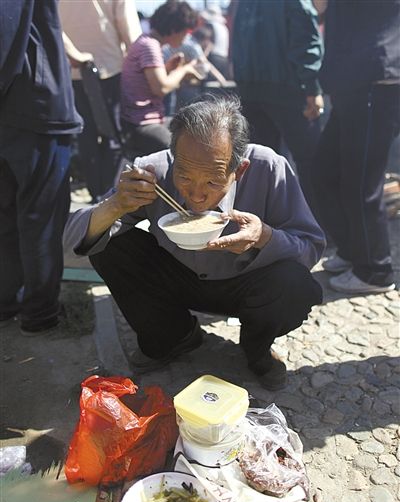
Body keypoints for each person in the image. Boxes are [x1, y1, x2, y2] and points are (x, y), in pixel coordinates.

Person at [64, 96, 324, 390]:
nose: (196, 195)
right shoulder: (151, 171)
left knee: (295, 284)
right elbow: (69, 243)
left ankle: (257, 348)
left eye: (213, 182)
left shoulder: (269, 168)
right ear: (173, 158)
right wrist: (114, 205)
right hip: (177, 279)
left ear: (238, 170)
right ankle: (174, 336)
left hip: (246, 284)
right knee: (108, 241)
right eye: (184, 177)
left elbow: (311, 246)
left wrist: (264, 237)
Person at [0, 0, 82, 334]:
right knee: (41, 220)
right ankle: (39, 313)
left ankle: (8, 303)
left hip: (18, 107)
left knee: (7, 215)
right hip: (35, 106)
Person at [313, 0, 399, 294]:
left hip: (375, 76)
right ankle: (354, 251)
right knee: (324, 171)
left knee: (362, 182)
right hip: (355, 78)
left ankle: (376, 270)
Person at [232, 0, 324, 216]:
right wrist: (312, 87)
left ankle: (266, 223)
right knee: (312, 162)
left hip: (250, 89)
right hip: (289, 88)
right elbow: (305, 40)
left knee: (260, 163)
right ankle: (316, 225)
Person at [59, 0, 142, 203]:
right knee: (112, 136)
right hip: (108, 65)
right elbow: (129, 29)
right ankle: (108, 195)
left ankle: (96, 192)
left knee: (85, 136)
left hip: (71, 68)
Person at [120, 0, 202, 159]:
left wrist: (169, 69)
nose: (186, 38)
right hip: (141, 125)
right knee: (183, 151)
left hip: (141, 121)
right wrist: (184, 70)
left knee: (196, 129)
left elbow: (149, 81)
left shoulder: (146, 41)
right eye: (186, 32)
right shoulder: (150, 46)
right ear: (174, 29)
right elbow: (161, 88)